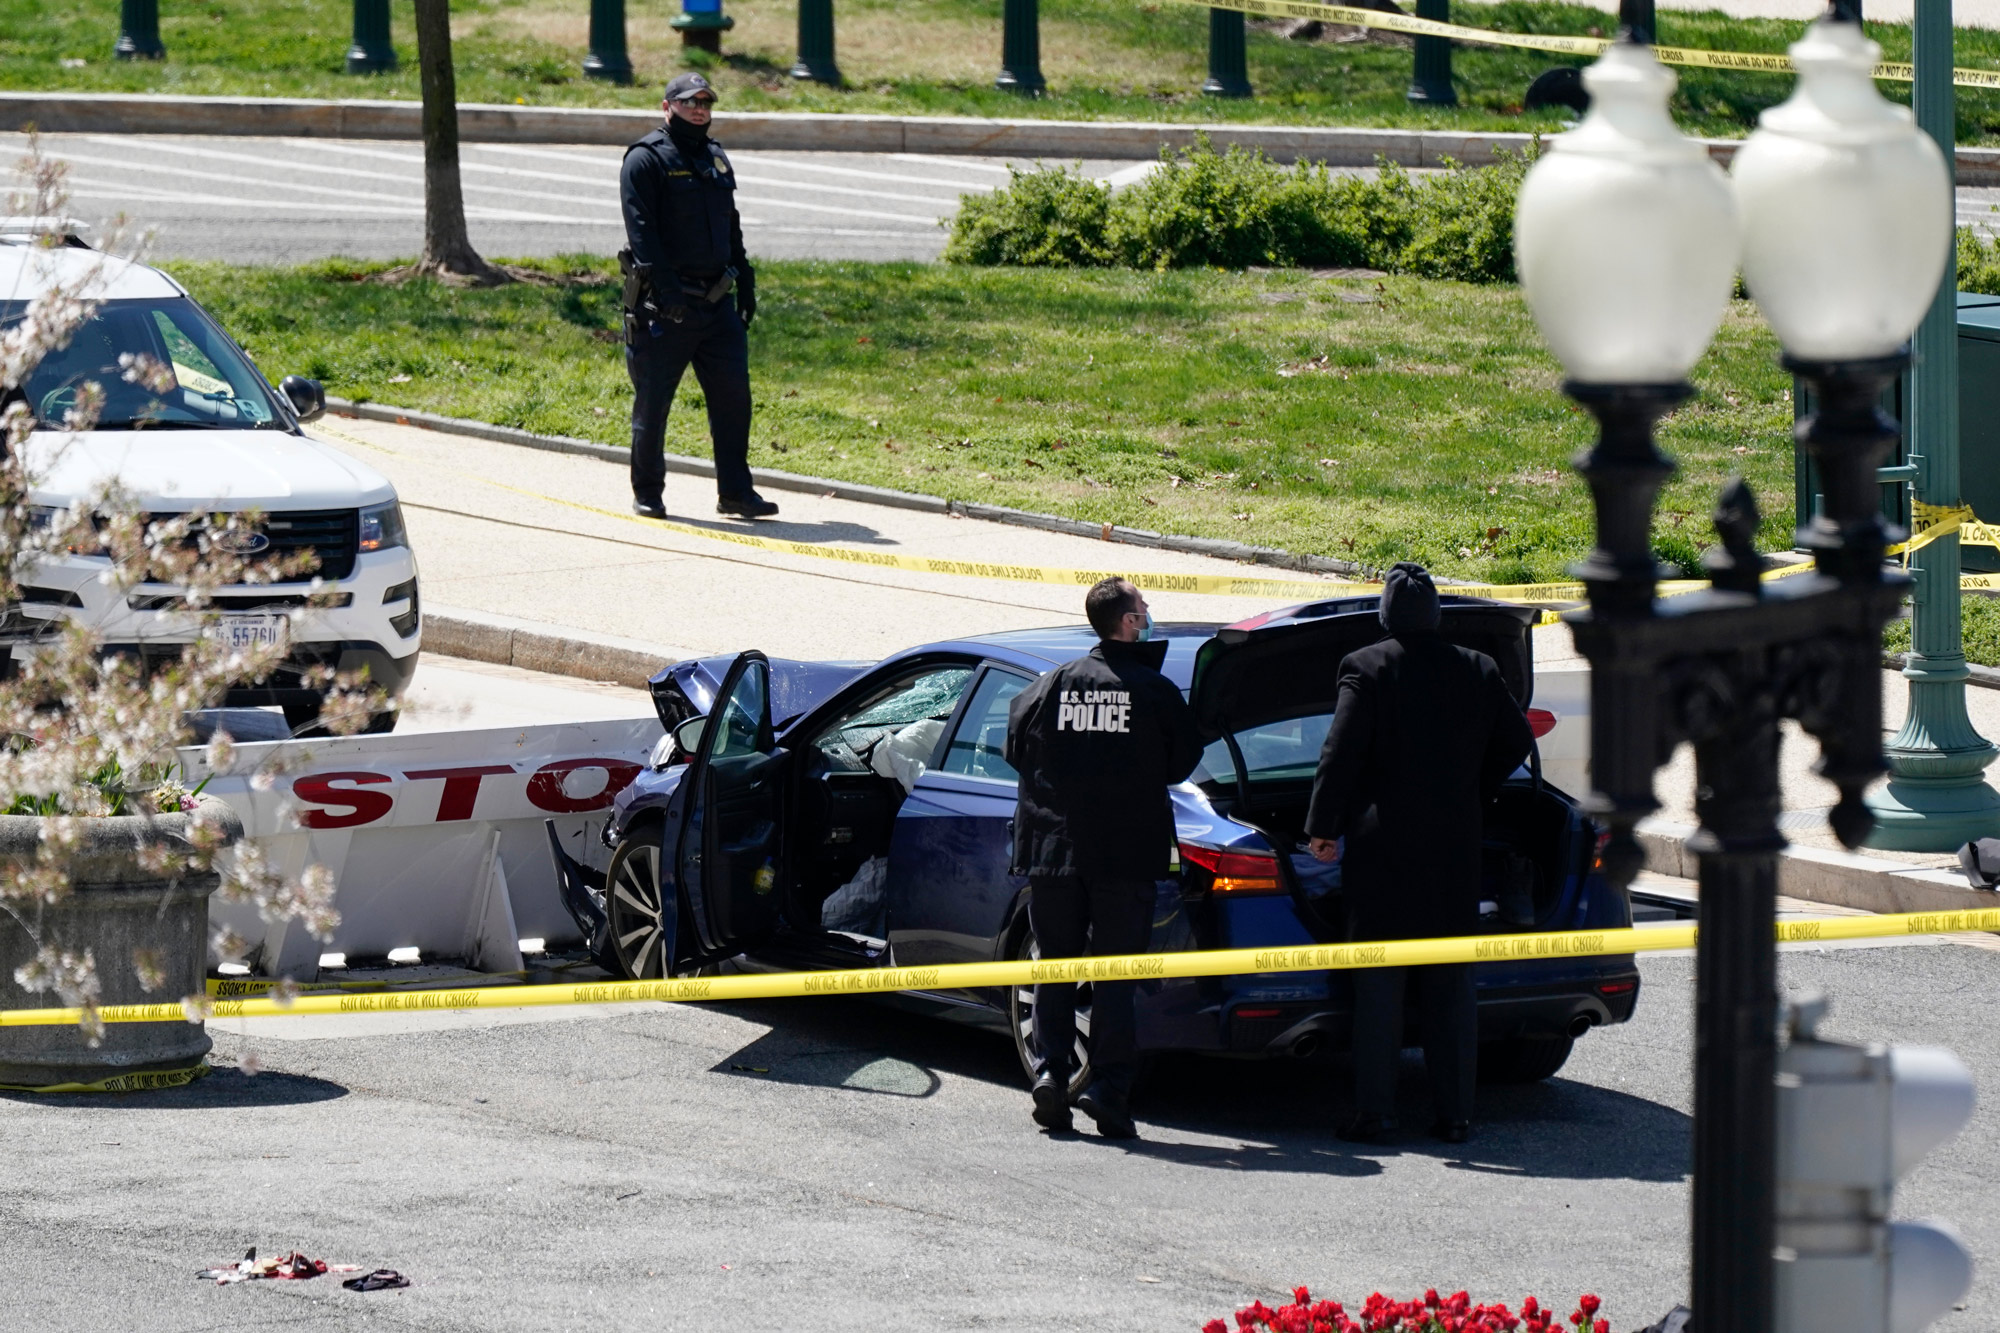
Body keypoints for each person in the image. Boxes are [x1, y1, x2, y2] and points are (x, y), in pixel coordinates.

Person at [1304, 562, 1533, 1146]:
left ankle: (1375, 1113)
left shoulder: (1366, 666)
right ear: (1436, 615)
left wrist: (1322, 827)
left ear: (1384, 617)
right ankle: (1456, 1115)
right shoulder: (1478, 667)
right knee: (1451, 984)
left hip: (1384, 848)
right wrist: (1472, 790)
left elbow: (1341, 753)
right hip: (1455, 844)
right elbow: (1517, 741)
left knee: (1379, 983)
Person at [1005, 577, 1203, 1139]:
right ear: (1129, 623)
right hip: (1125, 857)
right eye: (1144, 608)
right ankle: (1108, 1091)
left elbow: (1015, 749)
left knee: (1058, 965)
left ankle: (1050, 1072)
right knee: (1116, 976)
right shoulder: (1154, 690)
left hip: (1053, 854)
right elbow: (1181, 763)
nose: (1149, 614)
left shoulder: (1052, 684)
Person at [618, 72, 776, 522]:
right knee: (653, 403)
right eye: (689, 103)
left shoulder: (715, 156)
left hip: (717, 306)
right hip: (667, 308)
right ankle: (648, 492)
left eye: (705, 103)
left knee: (733, 401)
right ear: (667, 107)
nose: (699, 110)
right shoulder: (644, 160)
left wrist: (744, 278)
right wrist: (668, 295)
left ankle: (736, 493)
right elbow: (643, 235)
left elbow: (730, 224)